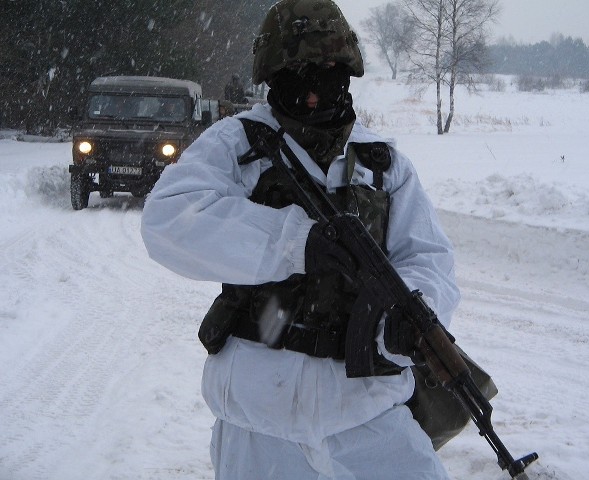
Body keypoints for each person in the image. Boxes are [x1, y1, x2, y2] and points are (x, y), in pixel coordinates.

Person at [140, 1, 460, 478]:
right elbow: (168, 219)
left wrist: (401, 321)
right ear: (273, 74)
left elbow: (427, 258)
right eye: (299, 72)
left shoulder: (381, 163)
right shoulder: (237, 143)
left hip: (366, 416)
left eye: (329, 70)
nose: (314, 90)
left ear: (347, 70)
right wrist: (294, 243)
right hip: (256, 421)